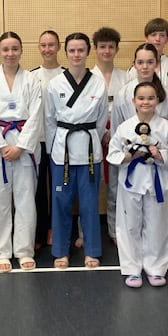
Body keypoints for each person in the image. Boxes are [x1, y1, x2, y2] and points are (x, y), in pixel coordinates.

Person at [107, 82, 168, 288]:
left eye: (150, 98)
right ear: (133, 101)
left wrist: (160, 154)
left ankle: (156, 268)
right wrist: (128, 156)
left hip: (157, 180)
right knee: (130, 225)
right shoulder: (125, 127)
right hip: (131, 181)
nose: (145, 102)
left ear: (157, 100)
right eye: (141, 98)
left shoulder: (165, 126)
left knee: (157, 225)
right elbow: (112, 153)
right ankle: (132, 268)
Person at [0, 32, 43, 272]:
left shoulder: (32, 80)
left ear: (21, 50)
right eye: (6, 49)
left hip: (25, 146)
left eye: (15, 48)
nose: (10, 53)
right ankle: (1, 251)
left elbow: (36, 115)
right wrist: (1, 145)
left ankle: (24, 250)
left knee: (26, 200)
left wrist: (21, 146)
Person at [45, 32, 107, 269]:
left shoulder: (98, 83)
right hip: (63, 150)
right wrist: (54, 148)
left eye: (81, 50)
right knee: (61, 201)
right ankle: (61, 251)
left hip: (89, 150)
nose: (76, 54)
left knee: (90, 203)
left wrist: (91, 137)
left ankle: (92, 250)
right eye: (72, 50)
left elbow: (100, 120)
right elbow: (50, 120)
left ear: (88, 52)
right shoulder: (55, 84)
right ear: (66, 52)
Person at [90, 27, 130, 245]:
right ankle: (86, 230)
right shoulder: (88, 77)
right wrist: (102, 131)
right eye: (102, 47)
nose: (106, 51)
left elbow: (130, 110)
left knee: (116, 186)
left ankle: (115, 229)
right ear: (95, 49)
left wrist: (114, 133)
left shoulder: (126, 77)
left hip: (119, 136)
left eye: (111, 47)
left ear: (116, 49)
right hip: (94, 136)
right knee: (90, 186)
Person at [30, 30, 64, 248]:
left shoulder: (67, 74)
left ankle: (57, 229)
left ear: (59, 47)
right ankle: (40, 232)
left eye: (51, 45)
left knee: (59, 188)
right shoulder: (32, 76)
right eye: (43, 45)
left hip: (61, 141)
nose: (47, 49)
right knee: (39, 189)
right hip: (38, 140)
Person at [112, 43, 168, 133]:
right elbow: (116, 128)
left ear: (156, 64)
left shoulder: (167, 94)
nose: (145, 67)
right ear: (134, 64)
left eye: (150, 62)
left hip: (160, 140)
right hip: (130, 140)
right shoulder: (123, 94)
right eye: (140, 62)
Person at [130, 18, 168, 101]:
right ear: (146, 38)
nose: (157, 39)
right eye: (153, 35)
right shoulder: (135, 69)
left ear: (167, 39)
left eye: (162, 35)